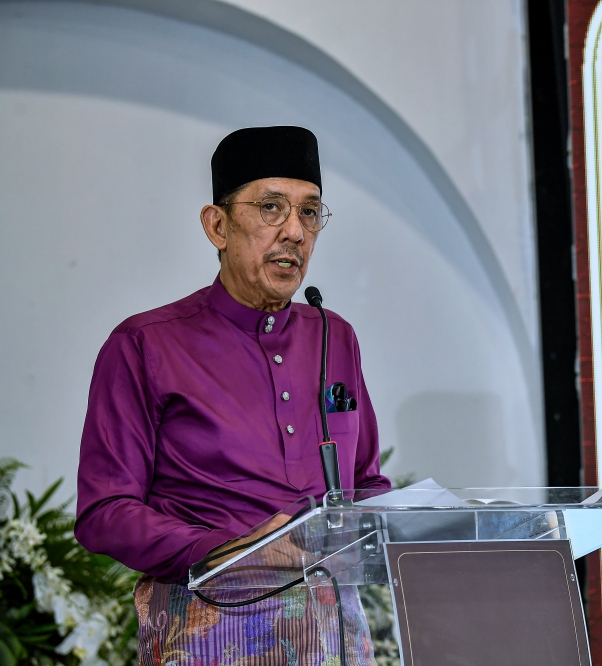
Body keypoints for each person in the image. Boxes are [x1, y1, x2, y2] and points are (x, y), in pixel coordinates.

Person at [75, 126, 390, 666]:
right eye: (271, 208)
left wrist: (416, 526)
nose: (294, 231)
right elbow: (104, 511)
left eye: (310, 213)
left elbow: (366, 483)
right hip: (210, 632)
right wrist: (228, 549)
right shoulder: (146, 344)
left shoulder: (334, 336)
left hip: (334, 634)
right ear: (217, 225)